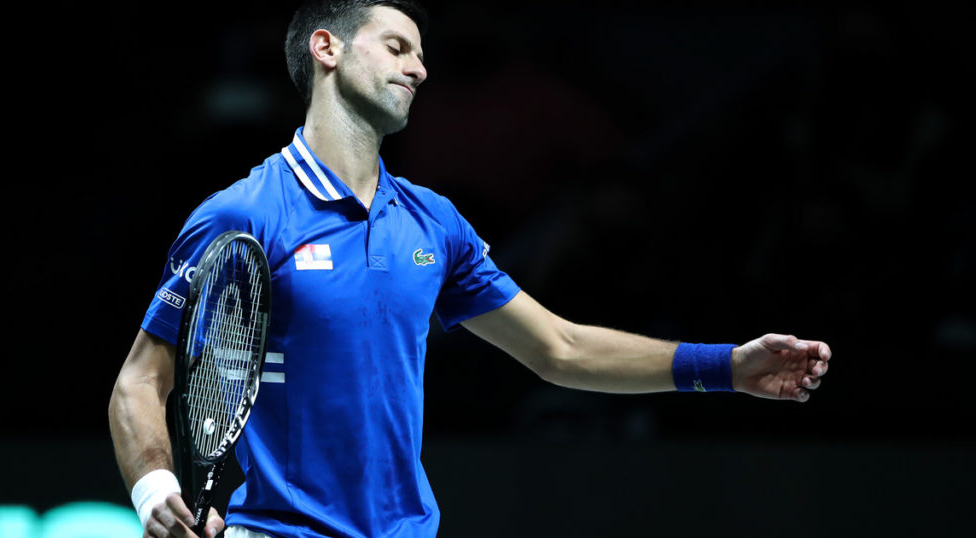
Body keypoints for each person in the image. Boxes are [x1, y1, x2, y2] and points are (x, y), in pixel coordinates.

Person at [108, 1, 833, 537]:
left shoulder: (434, 222)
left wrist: (726, 368)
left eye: (421, 55)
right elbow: (141, 380)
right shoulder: (243, 214)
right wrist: (155, 492)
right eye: (397, 47)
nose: (419, 69)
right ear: (326, 49)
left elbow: (558, 349)